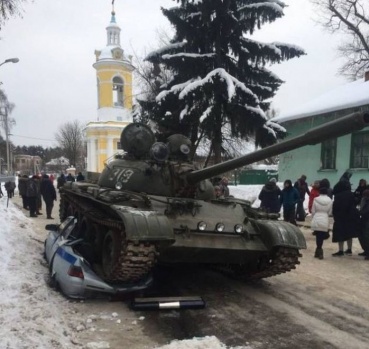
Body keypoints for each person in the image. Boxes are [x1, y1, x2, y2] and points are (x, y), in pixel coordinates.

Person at [332, 180, 360, 256]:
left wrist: (335, 215)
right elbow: (354, 203)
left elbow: (335, 207)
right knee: (349, 233)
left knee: (340, 234)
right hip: (350, 217)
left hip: (340, 217)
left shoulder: (338, 195)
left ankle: (341, 250)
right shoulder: (351, 194)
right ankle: (349, 249)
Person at [311, 187, 333, 260]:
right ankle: (319, 250)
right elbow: (330, 212)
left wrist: (314, 216)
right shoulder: (330, 200)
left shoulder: (316, 199)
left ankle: (319, 250)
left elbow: (313, 211)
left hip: (317, 217)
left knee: (318, 235)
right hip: (325, 218)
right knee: (321, 235)